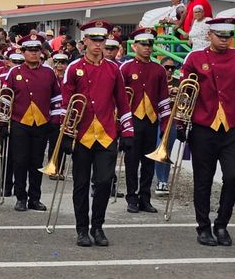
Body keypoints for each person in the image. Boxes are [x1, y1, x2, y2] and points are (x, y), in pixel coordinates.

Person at [181, 17, 235, 246]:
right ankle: (203, 227)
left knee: (232, 176)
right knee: (203, 180)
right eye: (220, 36)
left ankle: (222, 224)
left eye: (228, 36)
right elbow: (184, 93)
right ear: (209, 35)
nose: (224, 40)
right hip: (203, 128)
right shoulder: (195, 58)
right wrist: (180, 124)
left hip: (231, 127)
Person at [62, 20, 134, 248]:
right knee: (81, 184)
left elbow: (123, 102)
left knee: (104, 181)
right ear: (84, 41)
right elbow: (66, 104)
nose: (97, 44)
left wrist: (128, 130)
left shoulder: (114, 69)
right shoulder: (73, 69)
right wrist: (64, 135)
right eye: (93, 40)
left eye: (101, 40)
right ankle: (82, 229)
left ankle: (98, 226)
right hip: (81, 134)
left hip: (106, 133)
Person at [2, 34, 63, 212]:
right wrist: (4, 123)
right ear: (23, 52)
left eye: (36, 50)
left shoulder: (48, 72)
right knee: (20, 161)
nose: (34, 54)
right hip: (20, 122)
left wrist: (55, 120)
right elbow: (6, 98)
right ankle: (20, 197)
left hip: (42, 123)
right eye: (30, 50)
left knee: (37, 162)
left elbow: (57, 97)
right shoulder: (14, 72)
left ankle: (34, 198)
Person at [119, 28, 170, 213]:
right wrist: (121, 127)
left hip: (151, 121)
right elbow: (119, 98)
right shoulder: (125, 68)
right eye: (143, 44)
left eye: (150, 44)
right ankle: (131, 197)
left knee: (149, 161)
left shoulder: (158, 70)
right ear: (135, 46)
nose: (147, 48)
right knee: (131, 162)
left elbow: (164, 98)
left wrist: (165, 124)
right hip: (132, 121)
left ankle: (145, 198)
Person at [154, 58, 179, 195]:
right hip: (157, 119)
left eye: (172, 68)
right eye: (166, 67)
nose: (169, 70)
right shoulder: (157, 81)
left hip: (172, 120)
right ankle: (160, 180)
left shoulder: (178, 83)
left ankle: (164, 180)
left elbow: (185, 101)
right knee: (159, 148)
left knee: (166, 151)